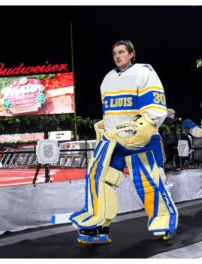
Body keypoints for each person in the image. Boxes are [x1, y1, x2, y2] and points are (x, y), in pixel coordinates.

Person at [70, 40, 178, 244]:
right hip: (113, 139)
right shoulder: (107, 79)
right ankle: (97, 226)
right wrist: (105, 126)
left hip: (141, 137)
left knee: (150, 181)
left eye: (121, 52)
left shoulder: (145, 72)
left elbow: (154, 107)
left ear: (131, 54)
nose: (117, 56)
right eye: (114, 53)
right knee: (98, 179)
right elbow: (111, 111)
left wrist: (144, 126)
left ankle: (164, 222)